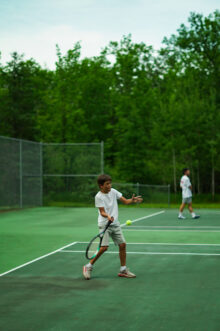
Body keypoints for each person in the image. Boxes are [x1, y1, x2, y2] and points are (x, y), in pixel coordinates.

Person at [83, 174, 143, 280]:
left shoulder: (113, 191)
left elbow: (125, 201)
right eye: (107, 184)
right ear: (101, 186)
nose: (109, 185)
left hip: (115, 224)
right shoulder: (98, 196)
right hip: (104, 224)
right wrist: (108, 216)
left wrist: (132, 200)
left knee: (122, 245)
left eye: (110, 183)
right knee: (104, 248)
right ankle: (88, 266)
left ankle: (123, 270)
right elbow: (102, 212)